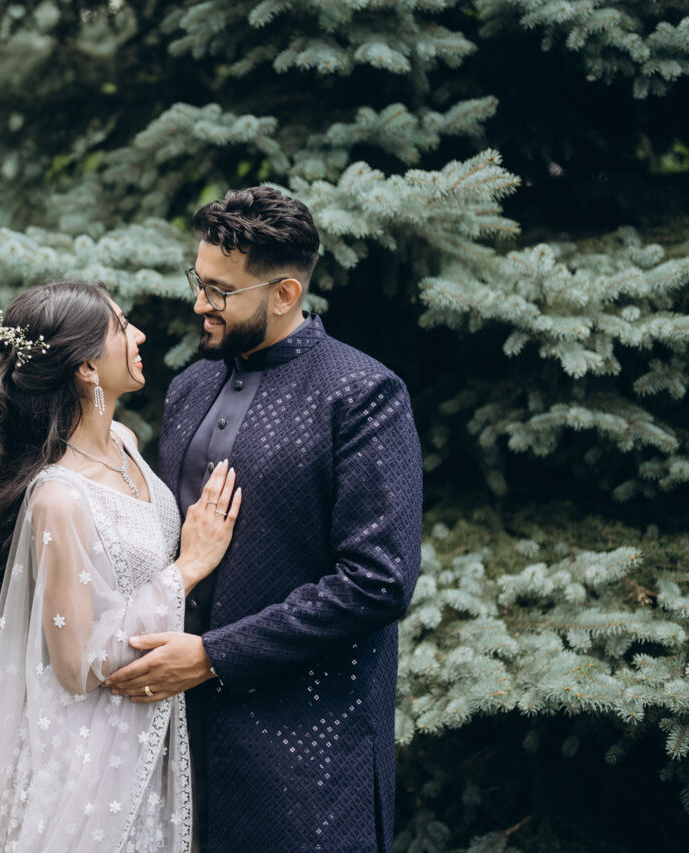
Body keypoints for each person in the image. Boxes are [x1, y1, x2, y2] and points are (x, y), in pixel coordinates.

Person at [103, 187, 424, 852]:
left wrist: (213, 656)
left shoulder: (363, 394)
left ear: (284, 294)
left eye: (221, 291)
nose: (200, 303)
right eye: (199, 281)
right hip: (180, 748)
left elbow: (379, 581)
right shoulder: (189, 387)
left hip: (310, 761)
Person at [0, 280, 240, 852]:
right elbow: (74, 665)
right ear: (86, 367)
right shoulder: (58, 497)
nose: (140, 335)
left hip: (149, 735)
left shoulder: (125, 442)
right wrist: (187, 568)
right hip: (90, 758)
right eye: (122, 327)